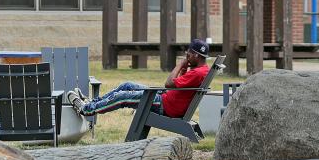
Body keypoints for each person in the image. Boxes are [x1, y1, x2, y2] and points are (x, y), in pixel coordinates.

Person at [67, 39, 211, 119]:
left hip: (164, 105)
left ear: (196, 55)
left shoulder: (197, 73)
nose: (187, 57)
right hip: (165, 99)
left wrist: (180, 64)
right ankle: (93, 102)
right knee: (127, 85)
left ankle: (86, 109)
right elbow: (178, 86)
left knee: (122, 97)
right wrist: (184, 69)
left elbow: (168, 84)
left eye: (188, 55)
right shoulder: (202, 70)